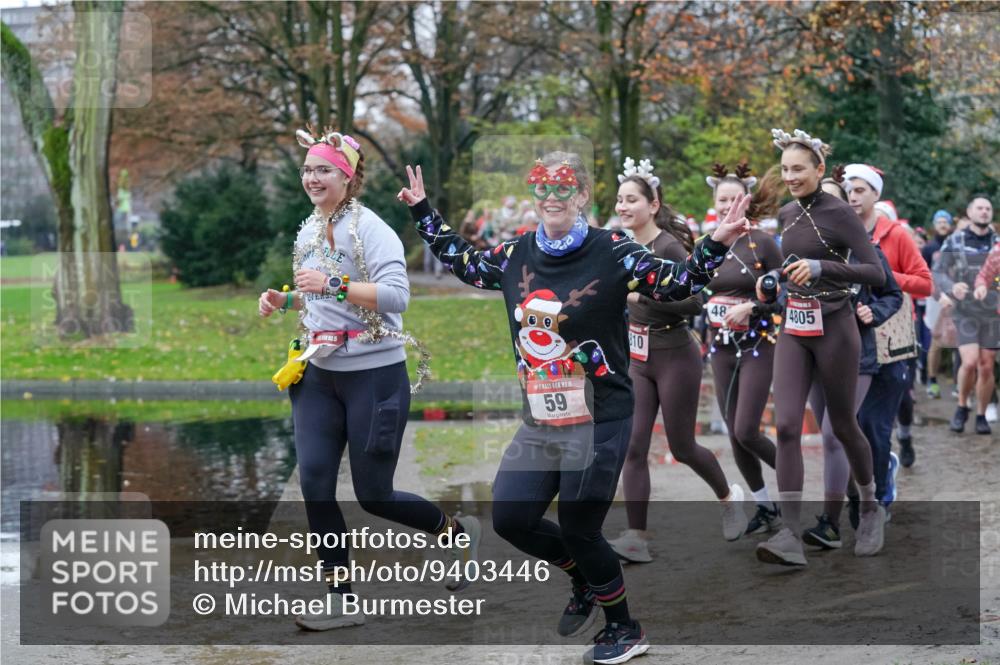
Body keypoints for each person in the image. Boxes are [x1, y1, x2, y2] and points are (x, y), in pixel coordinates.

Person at [398, 152, 750, 664]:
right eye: (540, 188)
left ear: (582, 195)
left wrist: (717, 242)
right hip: (542, 417)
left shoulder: (612, 249)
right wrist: (423, 212)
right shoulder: (517, 252)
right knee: (512, 517)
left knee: (581, 526)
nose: (550, 197)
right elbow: (465, 263)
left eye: (562, 188)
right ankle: (582, 579)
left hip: (600, 415)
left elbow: (679, 284)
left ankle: (624, 628)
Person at [258, 127, 480, 631]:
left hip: (374, 376)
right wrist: (285, 299)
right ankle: (341, 596)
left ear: (349, 176)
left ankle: (455, 534)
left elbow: (397, 297)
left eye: (324, 170)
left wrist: (334, 285)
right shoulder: (310, 227)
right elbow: (317, 294)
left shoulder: (372, 228)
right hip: (317, 374)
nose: (313, 178)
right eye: (308, 170)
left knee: (373, 495)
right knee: (314, 483)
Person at [753, 129, 887, 568]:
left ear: (819, 170)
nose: (790, 177)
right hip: (794, 326)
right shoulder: (788, 212)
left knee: (844, 426)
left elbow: (874, 273)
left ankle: (869, 508)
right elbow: (786, 267)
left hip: (836, 326)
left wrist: (823, 267)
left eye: (798, 169)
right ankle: (790, 533)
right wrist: (771, 283)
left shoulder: (842, 213)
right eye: (786, 169)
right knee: (787, 426)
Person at [607, 158, 747, 565]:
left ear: (653, 205)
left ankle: (728, 498)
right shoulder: (620, 247)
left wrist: (641, 297)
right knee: (633, 446)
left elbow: (694, 302)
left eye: (631, 199)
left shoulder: (668, 247)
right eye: (619, 200)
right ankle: (636, 536)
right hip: (637, 357)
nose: (623, 206)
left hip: (675, 355)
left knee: (682, 446)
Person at [701, 162, 785, 536]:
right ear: (714, 202)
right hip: (720, 348)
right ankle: (765, 504)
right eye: (722, 200)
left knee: (747, 429)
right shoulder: (709, 242)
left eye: (735, 199)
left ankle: (795, 483)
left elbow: (787, 294)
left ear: (746, 203)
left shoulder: (764, 243)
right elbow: (690, 287)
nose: (728, 206)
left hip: (758, 344)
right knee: (734, 435)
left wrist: (752, 307)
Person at [843, 165, 932, 494]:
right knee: (853, 426)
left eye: (860, 190)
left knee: (875, 425)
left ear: (876, 194)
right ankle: (863, 493)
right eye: (849, 190)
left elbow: (925, 284)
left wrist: (884, 275)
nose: (853, 196)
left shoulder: (896, 235)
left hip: (892, 341)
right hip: (852, 342)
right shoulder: (839, 234)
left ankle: (879, 496)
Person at [934, 195, 999, 435]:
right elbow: (938, 271)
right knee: (970, 361)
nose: (984, 212)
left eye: (988, 208)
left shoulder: (997, 242)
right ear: (969, 212)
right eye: (979, 208)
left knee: (986, 366)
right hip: (965, 310)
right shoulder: (955, 239)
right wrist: (952, 287)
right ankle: (962, 405)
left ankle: (981, 413)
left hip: (993, 312)